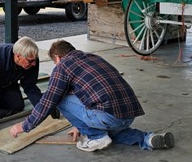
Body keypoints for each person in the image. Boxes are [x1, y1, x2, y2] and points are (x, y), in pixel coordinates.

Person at [9, 40, 174, 152]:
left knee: (58, 98)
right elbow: (87, 93)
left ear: (58, 58)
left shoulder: (63, 66)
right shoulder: (94, 57)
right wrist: (80, 126)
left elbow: (48, 101)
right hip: (129, 113)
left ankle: (96, 137)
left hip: (107, 115)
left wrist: (24, 126)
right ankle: (149, 139)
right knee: (114, 132)